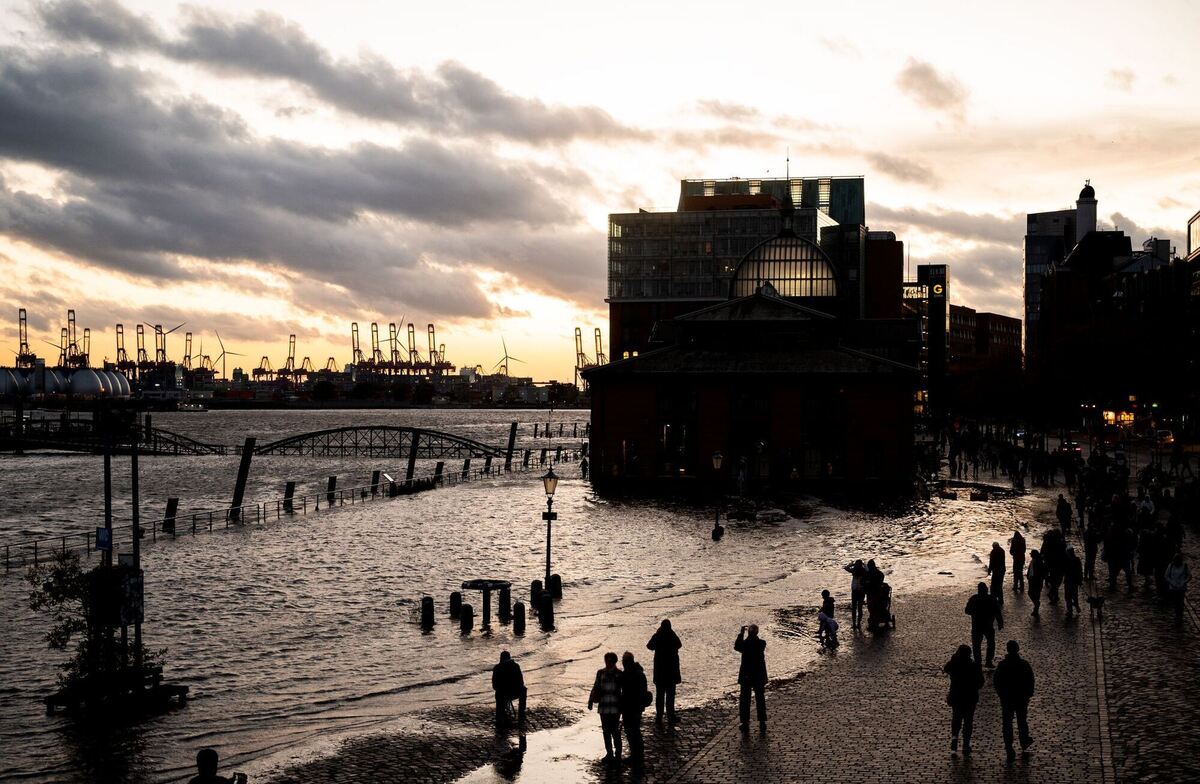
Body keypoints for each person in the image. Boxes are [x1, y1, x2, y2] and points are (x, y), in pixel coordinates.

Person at [993, 640, 1035, 763]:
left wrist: (1001, 694)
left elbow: (997, 681)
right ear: (1017, 649)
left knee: (1007, 722)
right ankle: (1024, 741)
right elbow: (1030, 680)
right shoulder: (1024, 664)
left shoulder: (1002, 665)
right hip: (1021, 697)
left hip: (1007, 698)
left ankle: (1009, 746)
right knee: (1022, 720)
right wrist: (1029, 693)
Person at [944, 644, 983, 754]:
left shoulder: (955, 665)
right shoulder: (974, 666)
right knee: (968, 721)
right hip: (970, 697)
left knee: (956, 718)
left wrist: (954, 658)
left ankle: (955, 737)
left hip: (956, 696)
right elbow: (980, 682)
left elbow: (946, 668)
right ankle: (966, 744)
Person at [587, 652, 623, 763]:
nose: (608, 662)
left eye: (610, 660)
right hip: (603, 707)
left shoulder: (619, 674)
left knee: (615, 731)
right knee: (606, 731)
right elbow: (595, 687)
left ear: (615, 661)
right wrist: (590, 700)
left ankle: (618, 754)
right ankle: (609, 753)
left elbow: (624, 691)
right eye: (607, 660)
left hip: (615, 708)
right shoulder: (600, 673)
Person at [646, 619, 682, 726]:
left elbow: (649, 646)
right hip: (671, 672)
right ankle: (671, 716)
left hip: (660, 672)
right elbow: (679, 644)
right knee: (670, 696)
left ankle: (659, 717)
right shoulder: (672, 635)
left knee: (660, 696)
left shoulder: (658, 636)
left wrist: (656, 634)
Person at [735, 624, 767, 733]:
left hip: (746, 675)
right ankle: (762, 721)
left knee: (745, 700)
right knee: (760, 699)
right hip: (759, 675)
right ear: (757, 633)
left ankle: (744, 722)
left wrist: (741, 634)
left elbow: (737, 646)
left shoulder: (746, 644)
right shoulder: (762, 643)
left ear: (749, 633)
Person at [619, 651, 649, 769]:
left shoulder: (631, 674)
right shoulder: (638, 673)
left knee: (633, 732)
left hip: (632, 707)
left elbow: (625, 691)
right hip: (633, 707)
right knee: (633, 731)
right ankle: (636, 755)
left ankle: (637, 755)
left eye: (624, 661)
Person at [965, 582, 1004, 668]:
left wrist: (975, 612)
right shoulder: (992, 599)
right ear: (986, 590)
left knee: (976, 645)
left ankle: (978, 662)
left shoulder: (973, 598)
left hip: (976, 625)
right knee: (990, 644)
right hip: (988, 625)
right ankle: (988, 661)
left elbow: (967, 611)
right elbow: (997, 612)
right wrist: (1000, 622)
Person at [492, 651, 527, 727]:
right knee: (524, 689)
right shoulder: (516, 666)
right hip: (515, 692)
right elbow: (521, 682)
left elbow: (494, 686)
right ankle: (521, 712)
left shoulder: (497, 668)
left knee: (498, 693)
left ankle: (499, 715)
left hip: (502, 694)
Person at [1165, 552, 1192, 625]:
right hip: (1173, 588)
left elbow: (1189, 576)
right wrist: (1172, 583)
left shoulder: (1185, 566)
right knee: (1175, 602)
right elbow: (1166, 576)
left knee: (1180, 602)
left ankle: (1179, 616)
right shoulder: (1171, 566)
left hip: (1181, 588)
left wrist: (1184, 582)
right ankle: (1177, 615)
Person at [844, 559, 867, 629]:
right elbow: (868, 570)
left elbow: (846, 568)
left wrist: (852, 564)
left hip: (855, 591)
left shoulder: (854, 571)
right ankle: (858, 624)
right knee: (859, 608)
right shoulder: (864, 571)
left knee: (854, 608)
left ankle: (854, 624)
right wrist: (864, 565)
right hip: (861, 591)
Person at [1063, 546, 1083, 619]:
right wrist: (1080, 580)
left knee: (1068, 596)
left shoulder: (1066, 560)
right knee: (1073, 595)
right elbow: (1080, 571)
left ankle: (1070, 610)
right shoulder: (1077, 560)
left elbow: (1064, 570)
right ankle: (1074, 607)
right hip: (1074, 581)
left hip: (1070, 581)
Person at [1027, 550, 1045, 618]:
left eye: (1031, 554)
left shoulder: (1038, 562)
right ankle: (1036, 608)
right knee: (1034, 594)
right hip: (1033, 580)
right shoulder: (1035, 561)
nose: (1030, 555)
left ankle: (1036, 607)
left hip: (1035, 581)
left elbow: (1040, 573)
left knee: (1033, 593)